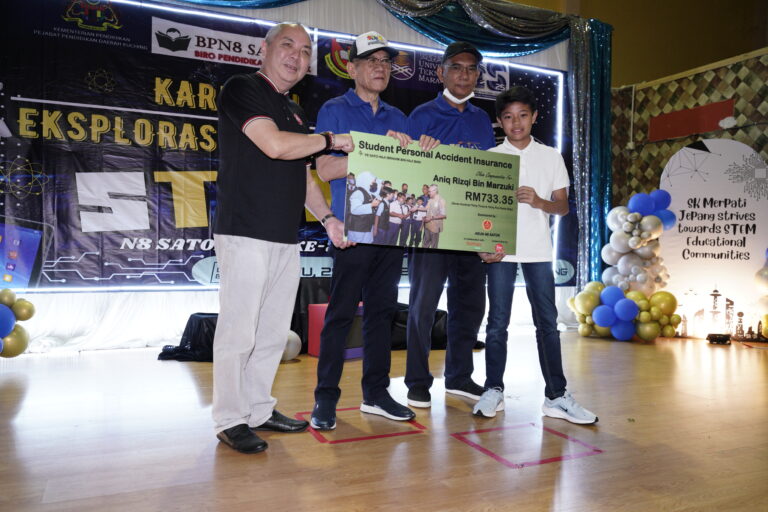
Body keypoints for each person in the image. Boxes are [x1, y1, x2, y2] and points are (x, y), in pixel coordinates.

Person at [212, 22, 355, 454]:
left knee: (273, 332)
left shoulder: (293, 110)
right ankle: (230, 418)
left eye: (306, 51)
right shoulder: (242, 88)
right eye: (288, 45)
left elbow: (304, 176)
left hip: (284, 237)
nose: (297, 55)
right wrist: (331, 140)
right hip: (244, 232)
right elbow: (274, 146)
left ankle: (258, 409)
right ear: (266, 49)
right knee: (239, 331)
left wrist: (328, 218)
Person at [310, 31, 438, 430]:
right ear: (352, 69)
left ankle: (377, 394)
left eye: (385, 62)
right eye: (371, 61)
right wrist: (375, 149)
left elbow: (410, 174)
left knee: (382, 314)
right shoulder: (334, 109)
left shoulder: (399, 118)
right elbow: (325, 169)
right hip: (351, 231)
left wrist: (423, 150)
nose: (380, 68)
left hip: (390, 231)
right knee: (340, 315)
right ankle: (325, 399)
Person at [473, 86, 597, 425]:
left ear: (535, 117)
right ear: (500, 121)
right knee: (496, 324)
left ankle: (556, 396)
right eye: (508, 117)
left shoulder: (551, 156)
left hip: (539, 251)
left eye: (523, 115)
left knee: (547, 324)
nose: (516, 123)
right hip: (501, 251)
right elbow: (478, 210)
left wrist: (539, 201)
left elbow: (563, 206)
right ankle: (493, 389)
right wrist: (482, 245)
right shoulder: (490, 156)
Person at [405, 42, 494, 408]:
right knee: (423, 306)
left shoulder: (482, 119)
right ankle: (417, 381)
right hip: (432, 225)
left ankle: (458, 376)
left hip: (471, 228)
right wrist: (418, 152)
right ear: (441, 72)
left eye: (471, 69)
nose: (464, 74)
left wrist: (489, 231)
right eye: (456, 67)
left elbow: (488, 176)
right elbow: (407, 171)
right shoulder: (421, 115)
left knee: (470, 305)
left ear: (477, 76)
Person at [421, 184, 446, 249]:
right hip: (427, 226)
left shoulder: (441, 200)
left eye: (429, 191)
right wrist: (417, 208)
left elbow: (443, 215)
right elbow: (426, 208)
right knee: (425, 244)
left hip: (435, 227)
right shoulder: (430, 200)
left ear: (435, 191)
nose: (428, 193)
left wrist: (431, 218)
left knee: (434, 246)